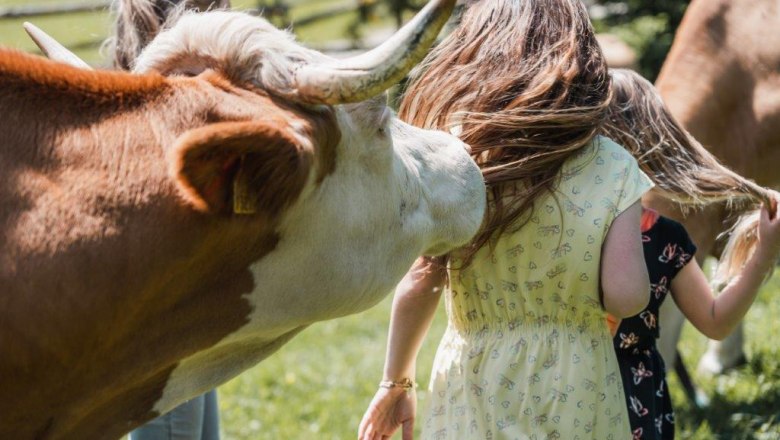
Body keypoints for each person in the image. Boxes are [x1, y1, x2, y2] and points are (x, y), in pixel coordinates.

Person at [358, 1, 654, 439]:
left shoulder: (460, 158)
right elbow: (626, 296)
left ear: (477, 53)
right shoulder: (611, 165)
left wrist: (397, 382)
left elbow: (421, 281)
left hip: (475, 376)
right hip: (575, 382)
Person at [600, 69, 780, 440]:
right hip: (630, 405)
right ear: (655, 145)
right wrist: (763, 253)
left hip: (566, 399)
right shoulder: (663, 237)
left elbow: (716, 322)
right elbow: (716, 320)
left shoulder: (555, 228)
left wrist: (764, 252)